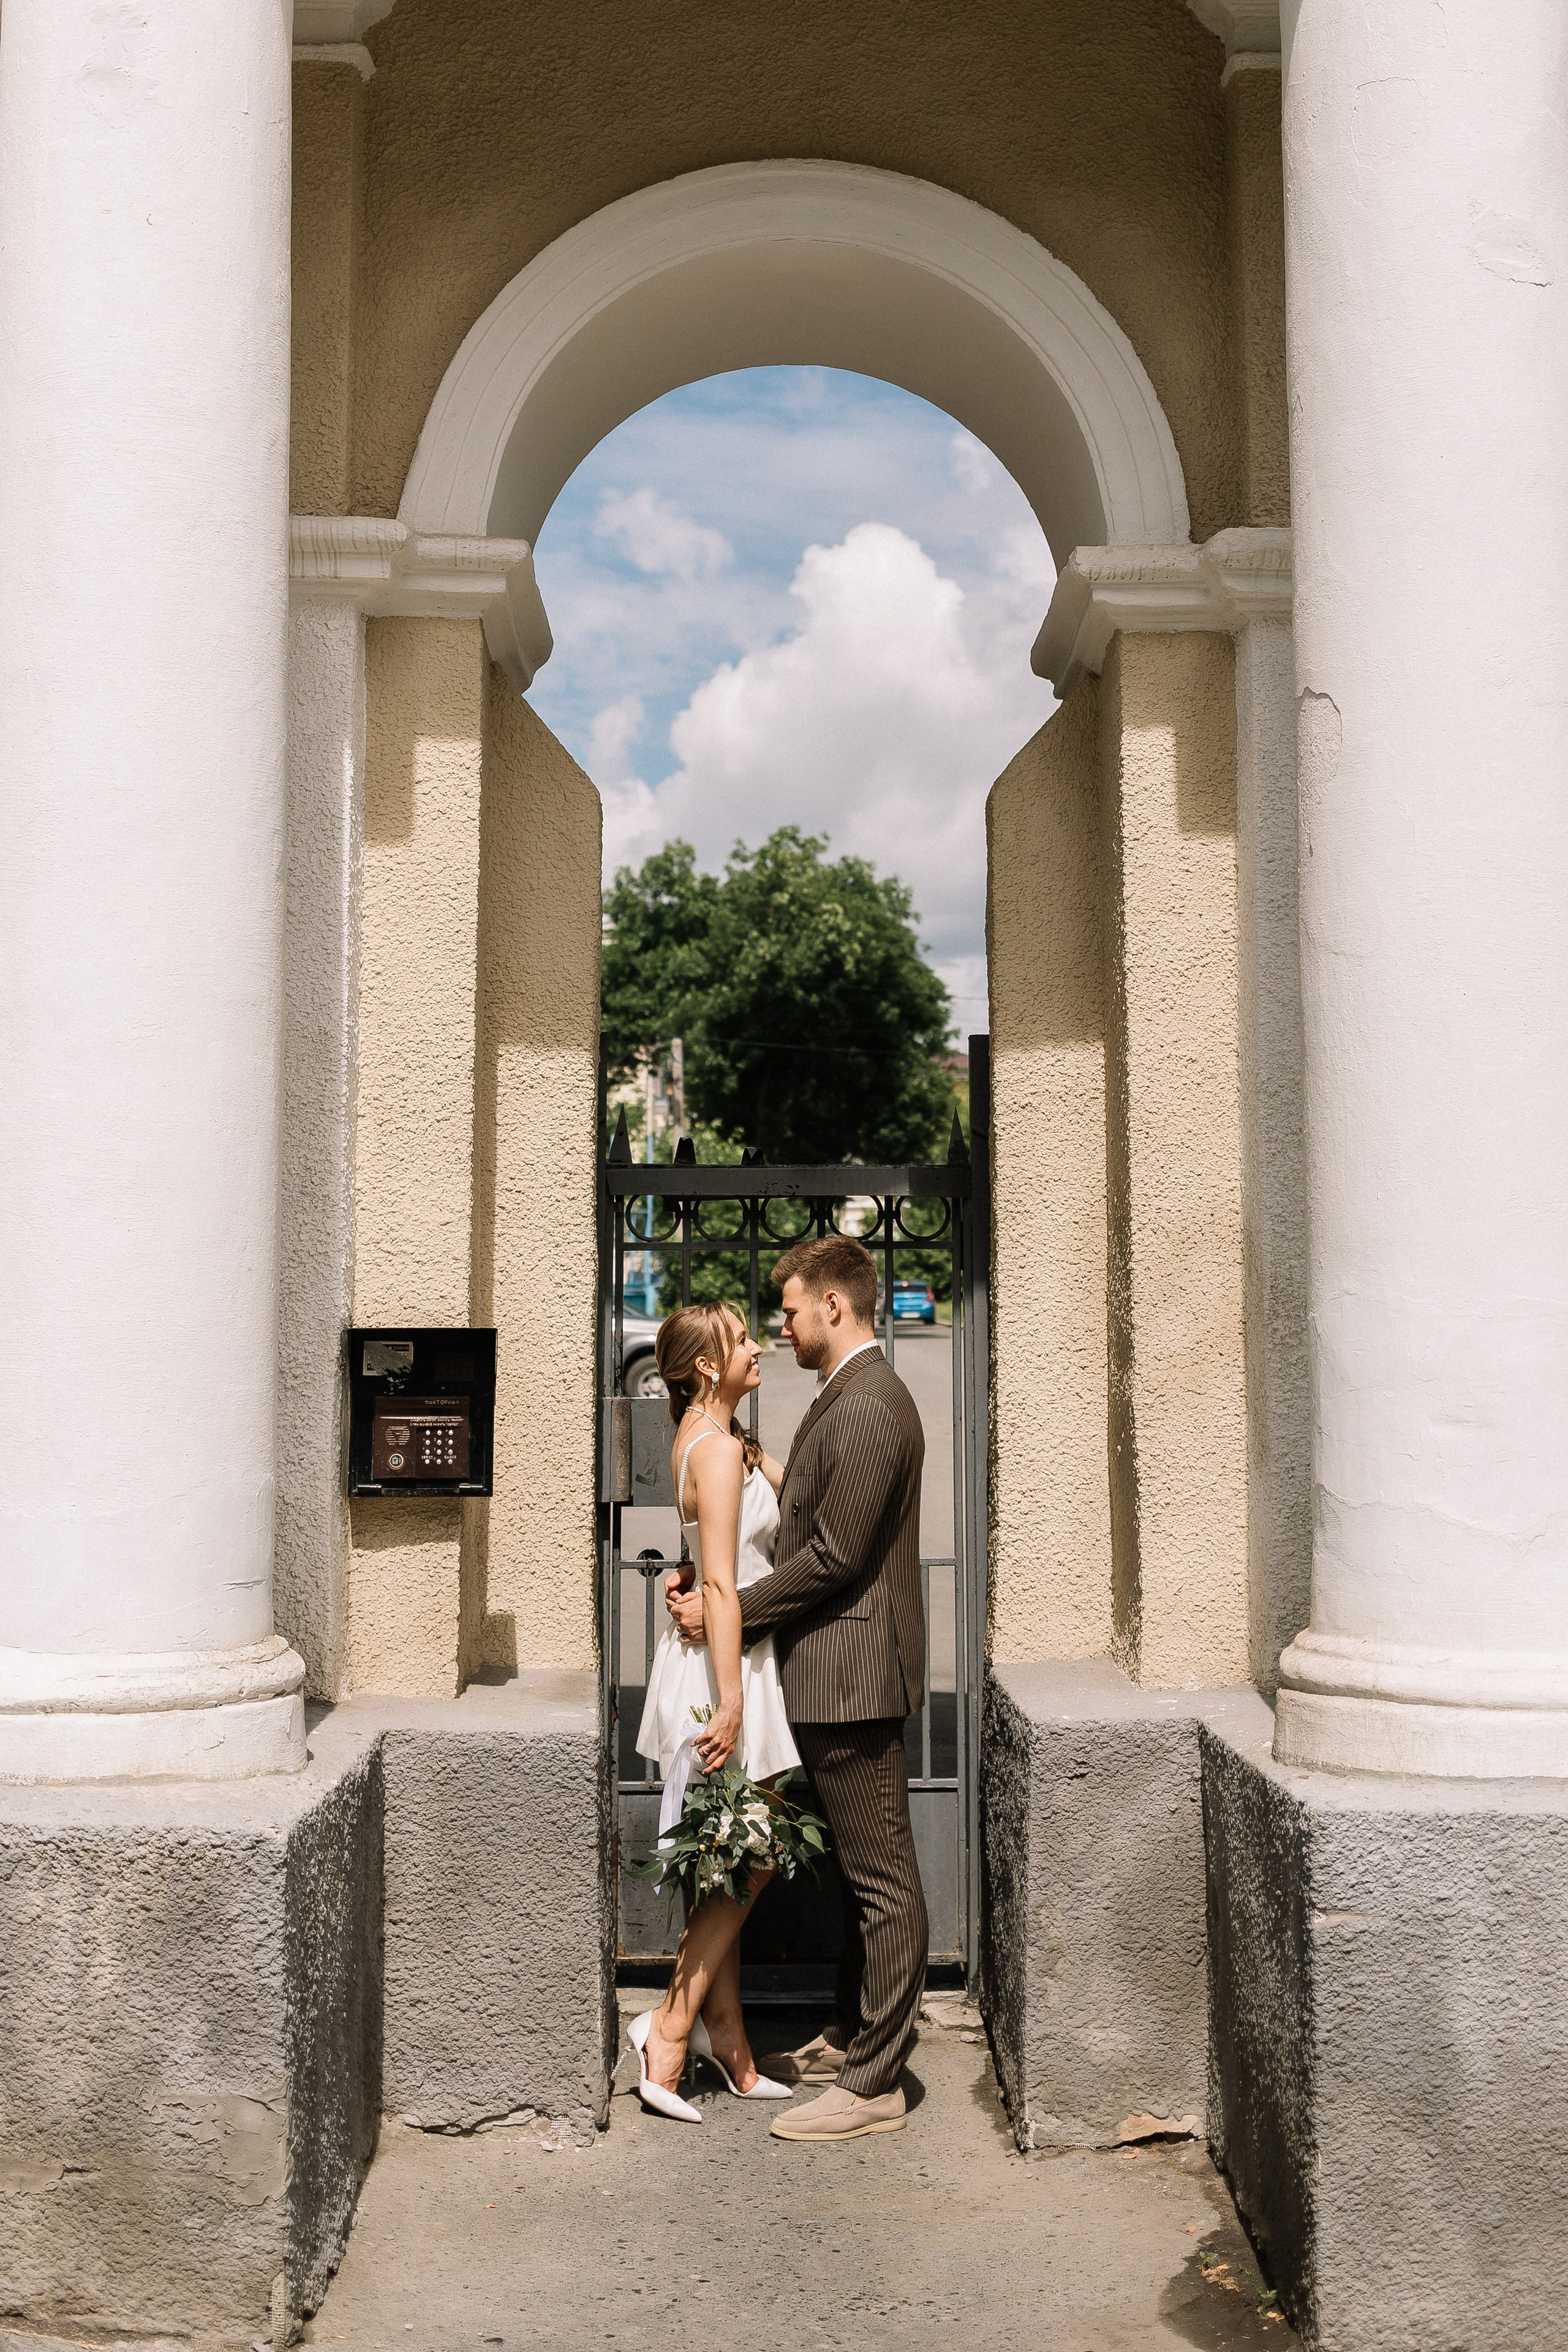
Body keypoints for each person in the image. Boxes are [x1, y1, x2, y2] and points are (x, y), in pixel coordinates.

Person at [666, 1234, 927, 2144]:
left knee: (883, 1879)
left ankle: (874, 2084)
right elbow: (796, 1516)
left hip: (852, 1674)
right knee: (859, 1875)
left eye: (790, 1307)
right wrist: (707, 1581)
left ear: (835, 1307)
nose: (781, 1324)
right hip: (826, 1669)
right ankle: (854, 2036)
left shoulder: (865, 1407)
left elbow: (832, 1557)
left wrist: (727, 1610)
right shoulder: (841, 1397)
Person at [627, 1302, 799, 2123]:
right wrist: (732, 1702)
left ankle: (727, 2040)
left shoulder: (717, 1440)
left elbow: (755, 1531)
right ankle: (667, 2028)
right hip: (727, 1668)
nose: (758, 1346)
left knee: (727, 1856)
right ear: (706, 1365)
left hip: (717, 1655)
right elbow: (726, 1585)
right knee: (751, 1853)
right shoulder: (718, 1447)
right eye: (740, 1341)